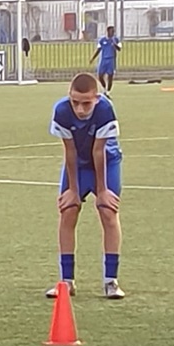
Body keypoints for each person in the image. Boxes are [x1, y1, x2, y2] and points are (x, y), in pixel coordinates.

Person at [45, 73, 125, 300]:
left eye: (86, 103)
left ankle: (111, 281)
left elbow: (99, 151)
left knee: (108, 212)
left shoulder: (105, 109)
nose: (80, 109)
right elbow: (69, 151)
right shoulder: (61, 110)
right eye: (75, 102)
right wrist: (72, 189)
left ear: (96, 98)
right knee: (68, 211)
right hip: (78, 165)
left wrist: (102, 191)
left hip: (107, 163)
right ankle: (66, 282)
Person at [89, 26, 121, 98]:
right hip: (103, 60)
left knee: (110, 76)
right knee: (100, 75)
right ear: (108, 31)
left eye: (113, 31)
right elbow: (98, 50)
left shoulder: (116, 39)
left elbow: (119, 49)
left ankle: (108, 92)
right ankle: (104, 89)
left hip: (111, 60)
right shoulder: (102, 40)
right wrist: (92, 58)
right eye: (111, 31)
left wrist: (114, 44)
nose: (113, 33)